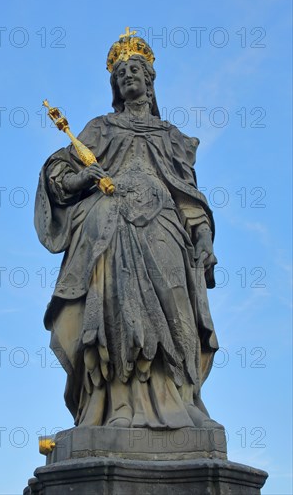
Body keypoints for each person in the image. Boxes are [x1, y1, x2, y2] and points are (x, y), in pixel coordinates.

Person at [34, 29, 219, 429]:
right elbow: (60, 169)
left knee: (176, 313)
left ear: (150, 81)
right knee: (118, 314)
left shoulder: (171, 136)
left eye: (134, 70)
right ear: (115, 86)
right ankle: (116, 404)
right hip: (111, 227)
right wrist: (82, 180)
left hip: (164, 224)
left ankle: (181, 401)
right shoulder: (101, 128)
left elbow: (188, 194)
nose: (127, 76)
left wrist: (203, 236)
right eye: (119, 74)